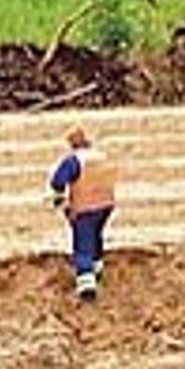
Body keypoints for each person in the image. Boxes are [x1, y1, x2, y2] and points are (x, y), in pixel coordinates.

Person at [48, 124, 117, 301]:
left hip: (85, 207)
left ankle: (87, 284)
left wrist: (59, 197)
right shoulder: (102, 157)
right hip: (106, 204)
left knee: (83, 243)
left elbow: (58, 180)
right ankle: (97, 266)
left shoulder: (74, 160)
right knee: (96, 235)